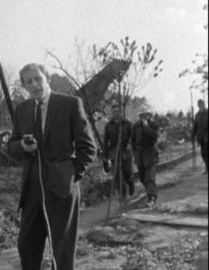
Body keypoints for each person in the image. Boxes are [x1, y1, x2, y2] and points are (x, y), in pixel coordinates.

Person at [8, 63, 96, 270]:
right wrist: (22, 145)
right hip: (32, 191)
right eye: (29, 81)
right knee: (27, 245)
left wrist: (72, 174)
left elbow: (88, 148)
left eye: (38, 78)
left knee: (62, 250)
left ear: (46, 78)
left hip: (62, 189)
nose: (35, 84)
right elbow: (12, 147)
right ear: (24, 87)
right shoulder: (22, 110)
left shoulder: (70, 104)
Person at [103, 104, 134, 199]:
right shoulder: (108, 125)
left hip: (126, 151)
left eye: (118, 111)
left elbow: (133, 136)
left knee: (127, 173)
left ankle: (131, 183)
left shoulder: (127, 123)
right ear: (112, 113)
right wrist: (106, 156)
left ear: (121, 112)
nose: (116, 113)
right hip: (113, 152)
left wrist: (130, 143)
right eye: (114, 112)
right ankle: (123, 194)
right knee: (116, 174)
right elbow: (105, 141)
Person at [132, 110, 160, 207]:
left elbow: (154, 136)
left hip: (150, 154)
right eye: (141, 115)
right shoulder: (135, 126)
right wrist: (134, 152)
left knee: (149, 178)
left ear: (149, 115)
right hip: (140, 155)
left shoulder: (153, 125)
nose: (143, 117)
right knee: (142, 178)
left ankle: (151, 197)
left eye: (145, 115)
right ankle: (152, 192)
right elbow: (133, 140)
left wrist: (146, 126)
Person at [192, 99, 208, 174]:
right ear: (198, 106)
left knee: (206, 152)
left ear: (204, 104)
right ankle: (206, 168)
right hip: (201, 137)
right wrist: (193, 135)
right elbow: (195, 126)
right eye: (199, 105)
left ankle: (206, 169)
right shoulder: (197, 115)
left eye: (202, 104)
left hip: (207, 136)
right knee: (202, 153)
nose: (201, 106)